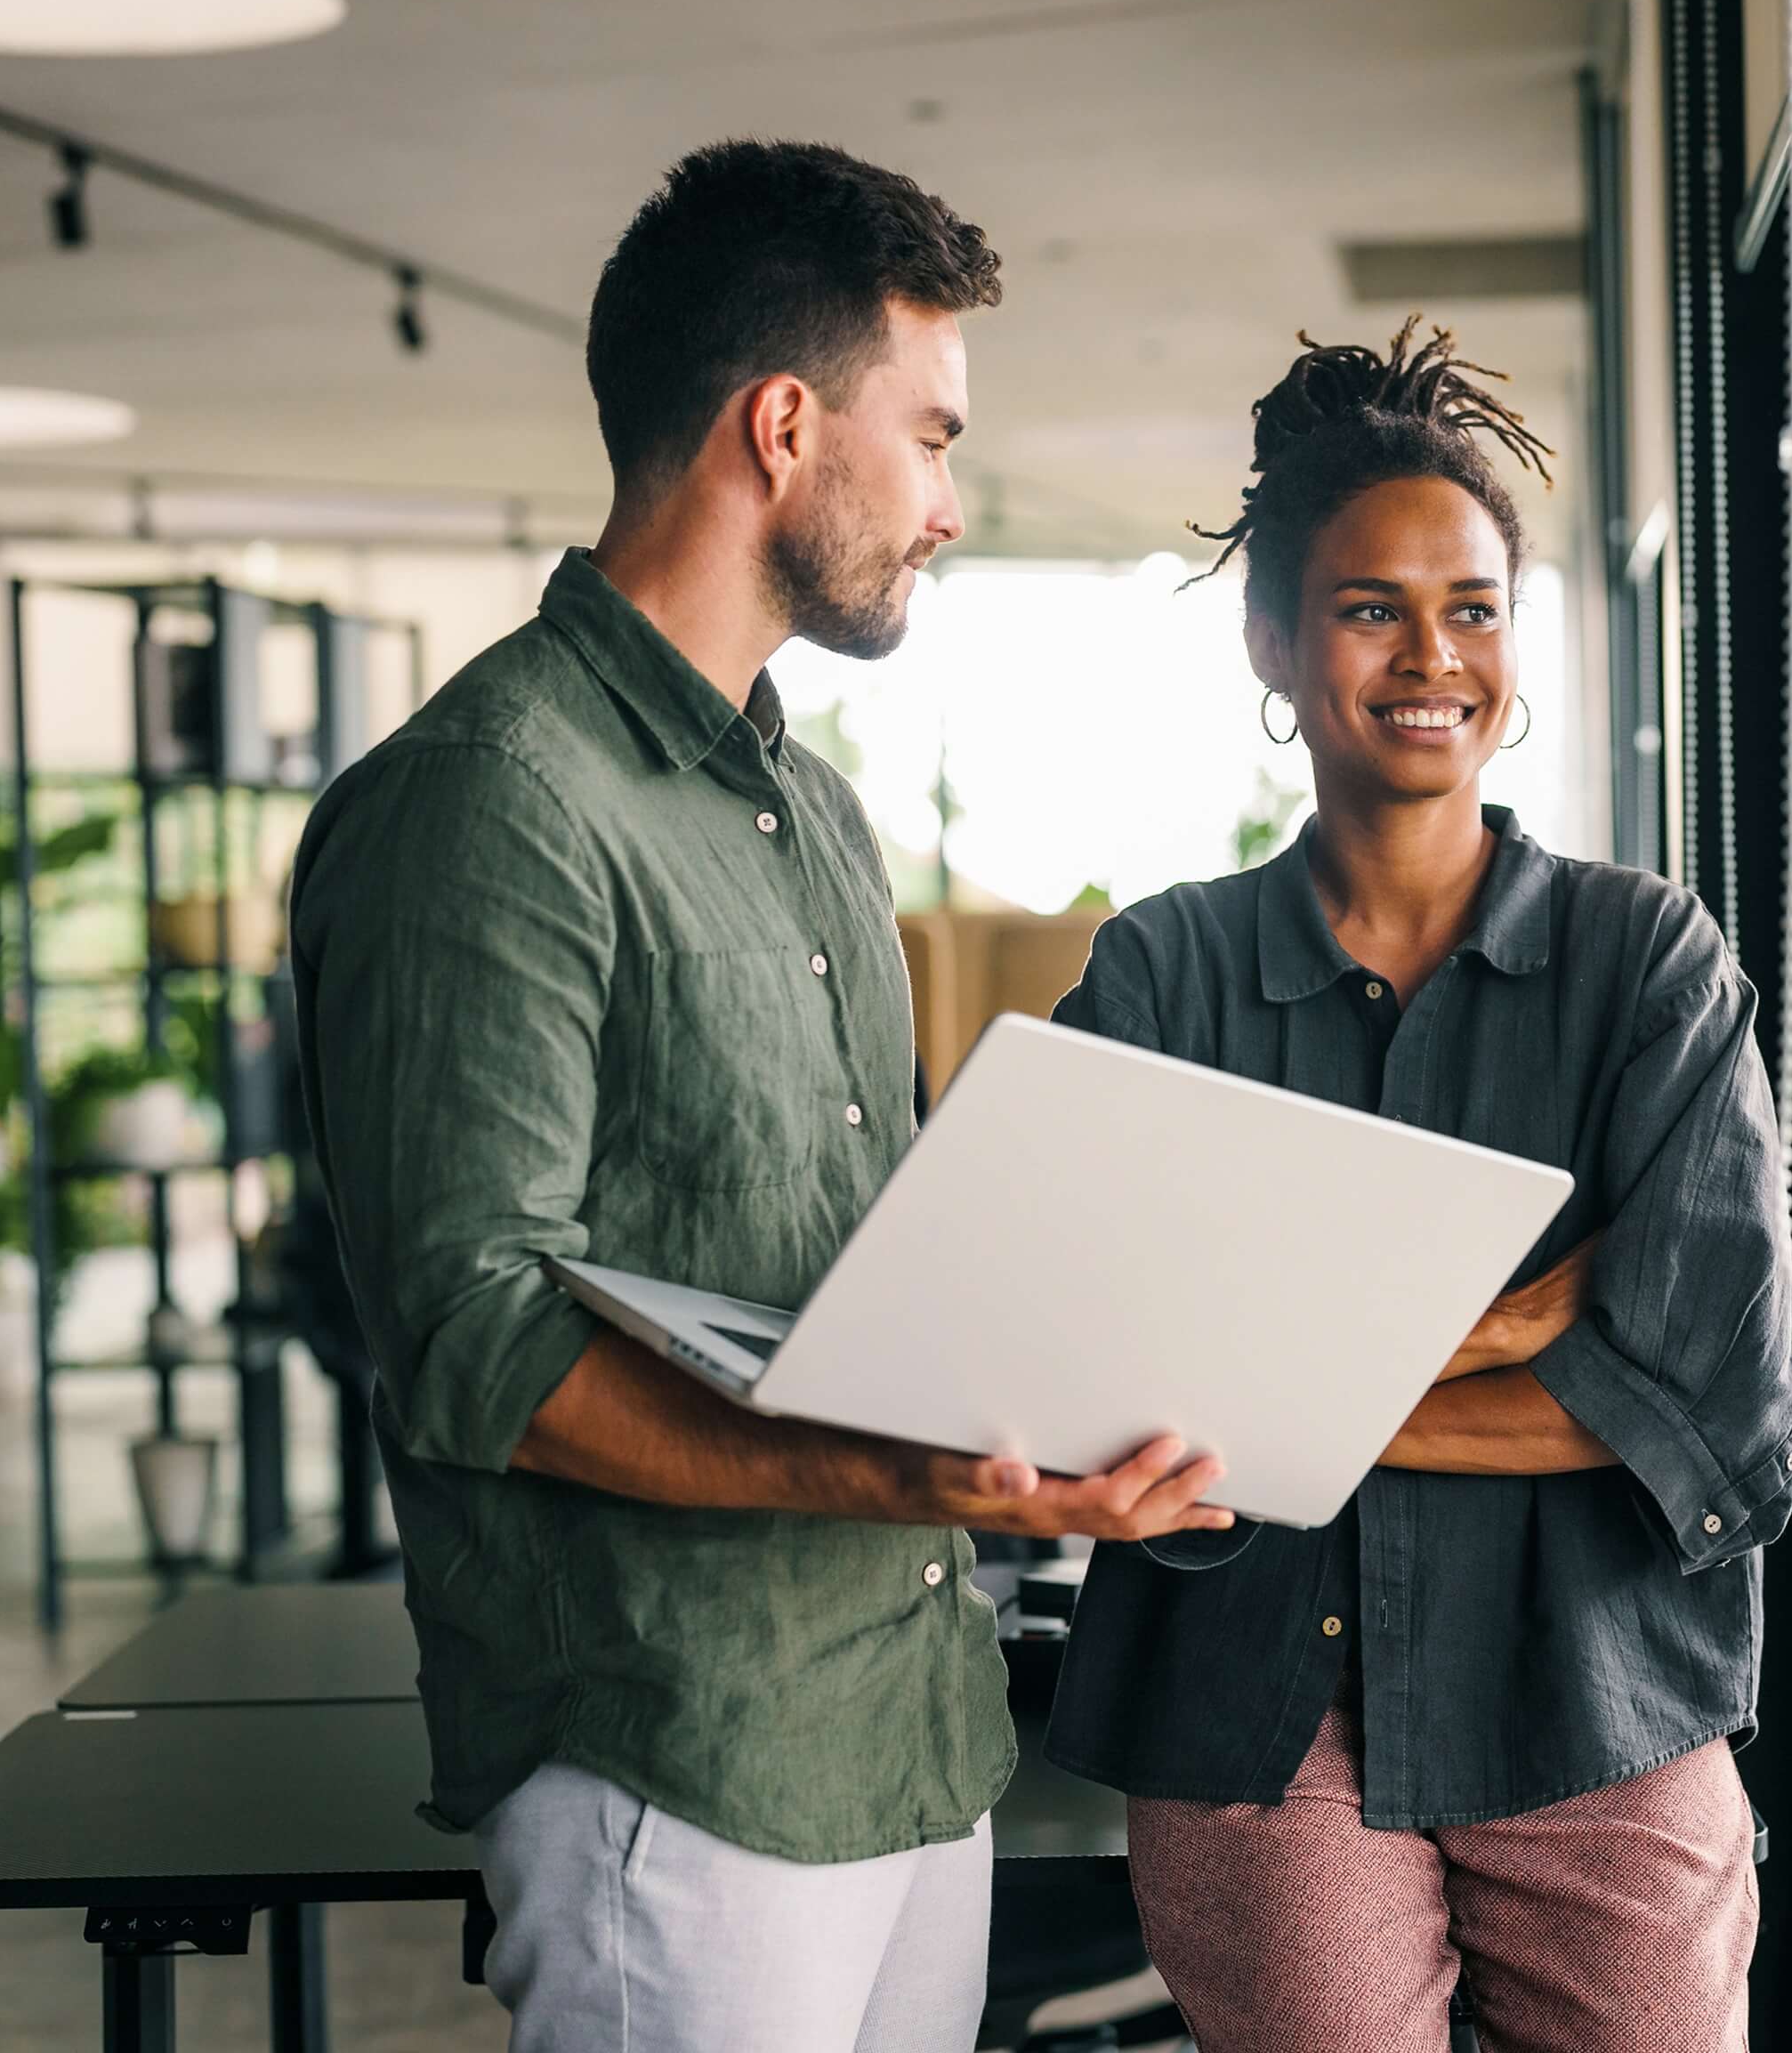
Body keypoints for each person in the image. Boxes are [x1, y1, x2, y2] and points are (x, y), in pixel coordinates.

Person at [287, 141, 1235, 2053]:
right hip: (677, 1768)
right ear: (786, 424)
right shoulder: (488, 799)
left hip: (905, 1735)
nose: (953, 508)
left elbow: (856, 1264)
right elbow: (472, 1340)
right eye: (937, 438)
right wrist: (893, 1474)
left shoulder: (807, 814)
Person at [1044, 321, 1792, 2052]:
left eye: (1471, 607)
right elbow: (1089, 1363)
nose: (1429, 655)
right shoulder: (1164, 978)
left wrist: (1271, 1399)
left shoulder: (1646, 967)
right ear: (1271, 639)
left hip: (1598, 1705)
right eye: (1369, 605)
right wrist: (1504, 1344)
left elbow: (1718, 1408)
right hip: (1254, 1714)